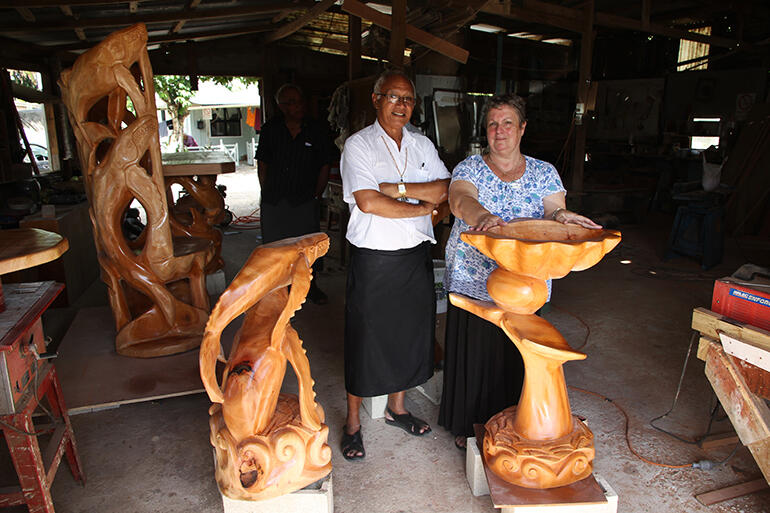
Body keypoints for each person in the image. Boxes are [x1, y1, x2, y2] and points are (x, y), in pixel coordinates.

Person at [438, 93, 600, 449]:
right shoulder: (470, 168)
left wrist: (562, 216)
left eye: (508, 122)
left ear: (522, 128)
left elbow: (554, 209)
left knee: (518, 352)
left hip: (525, 283)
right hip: (474, 278)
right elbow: (460, 199)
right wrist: (482, 218)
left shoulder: (544, 172)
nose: (500, 131)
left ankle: (513, 422)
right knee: (476, 352)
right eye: (493, 124)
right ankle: (469, 427)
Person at [339, 70, 450, 460]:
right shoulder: (359, 146)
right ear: (376, 99)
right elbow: (369, 202)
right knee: (365, 338)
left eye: (408, 98)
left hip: (414, 256)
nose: (401, 105)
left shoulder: (422, 145)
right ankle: (353, 422)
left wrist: (399, 191)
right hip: (374, 259)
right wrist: (422, 209)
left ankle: (397, 408)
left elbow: (446, 189)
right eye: (393, 97)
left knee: (411, 333)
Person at [256, 83, 335, 303]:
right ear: (281, 106)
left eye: (299, 101)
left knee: (308, 245)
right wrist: (267, 193)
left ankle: (312, 285)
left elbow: (325, 164)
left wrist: (316, 195)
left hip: (304, 198)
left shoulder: (316, 129)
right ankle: (278, 288)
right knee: (275, 246)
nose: (297, 106)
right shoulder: (271, 129)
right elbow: (263, 164)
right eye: (290, 103)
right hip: (275, 197)